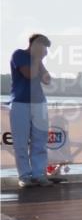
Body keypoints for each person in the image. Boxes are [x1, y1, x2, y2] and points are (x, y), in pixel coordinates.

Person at [8, 34, 53, 188]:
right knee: (20, 142)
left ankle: (39, 174)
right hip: (20, 103)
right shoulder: (19, 54)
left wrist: (40, 60)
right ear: (34, 45)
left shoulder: (37, 60)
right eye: (42, 46)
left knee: (40, 141)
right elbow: (29, 74)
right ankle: (25, 176)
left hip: (39, 103)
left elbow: (47, 80)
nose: (44, 50)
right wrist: (37, 58)